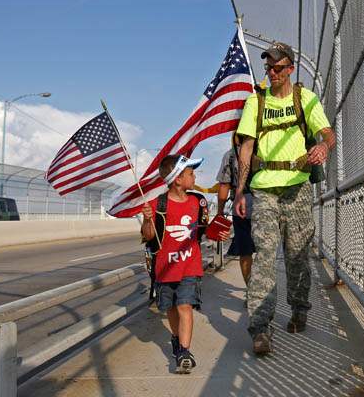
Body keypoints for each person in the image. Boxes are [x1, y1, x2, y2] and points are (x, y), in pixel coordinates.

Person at [233, 42, 336, 355]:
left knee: (296, 255)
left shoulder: (305, 99)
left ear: (291, 68)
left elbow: (328, 133)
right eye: (269, 67)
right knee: (264, 256)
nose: (273, 72)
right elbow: (246, 148)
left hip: (297, 187)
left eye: (278, 67)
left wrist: (323, 147)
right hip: (264, 188)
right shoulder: (255, 102)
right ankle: (260, 328)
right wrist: (240, 190)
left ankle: (299, 308)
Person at [141, 154, 229, 373]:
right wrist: (147, 219)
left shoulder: (198, 202)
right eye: (190, 173)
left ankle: (184, 351)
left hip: (190, 266)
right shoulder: (158, 204)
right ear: (178, 179)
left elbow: (204, 231)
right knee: (171, 308)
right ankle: (176, 337)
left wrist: (218, 232)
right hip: (165, 268)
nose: (194, 176)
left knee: (185, 306)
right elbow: (148, 236)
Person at [216, 134, 256, 297]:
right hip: (266, 205)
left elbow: (224, 186)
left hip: (241, 209)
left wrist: (220, 213)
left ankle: (252, 291)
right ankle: (262, 291)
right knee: (266, 250)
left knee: (245, 252)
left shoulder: (231, 155)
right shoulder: (263, 149)